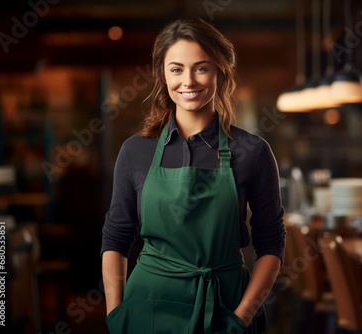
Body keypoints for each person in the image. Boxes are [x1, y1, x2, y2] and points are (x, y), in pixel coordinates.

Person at [101, 18, 285, 334]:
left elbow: (271, 243)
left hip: (225, 307)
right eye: (176, 69)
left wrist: (242, 317)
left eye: (201, 68)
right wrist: (116, 314)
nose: (188, 80)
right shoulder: (136, 151)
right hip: (147, 309)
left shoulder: (252, 151)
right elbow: (116, 238)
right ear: (163, 74)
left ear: (220, 72)